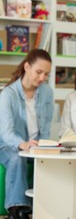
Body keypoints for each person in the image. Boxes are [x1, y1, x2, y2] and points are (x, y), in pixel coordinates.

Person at [0, 49, 53, 219]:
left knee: (50, 161)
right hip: (9, 145)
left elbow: (46, 127)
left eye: (46, 74)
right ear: (27, 67)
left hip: (35, 145)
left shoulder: (47, 92)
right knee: (17, 158)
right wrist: (23, 144)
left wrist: (43, 145)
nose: (42, 78)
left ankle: (44, 206)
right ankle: (16, 210)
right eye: (39, 72)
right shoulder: (8, 95)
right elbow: (6, 133)